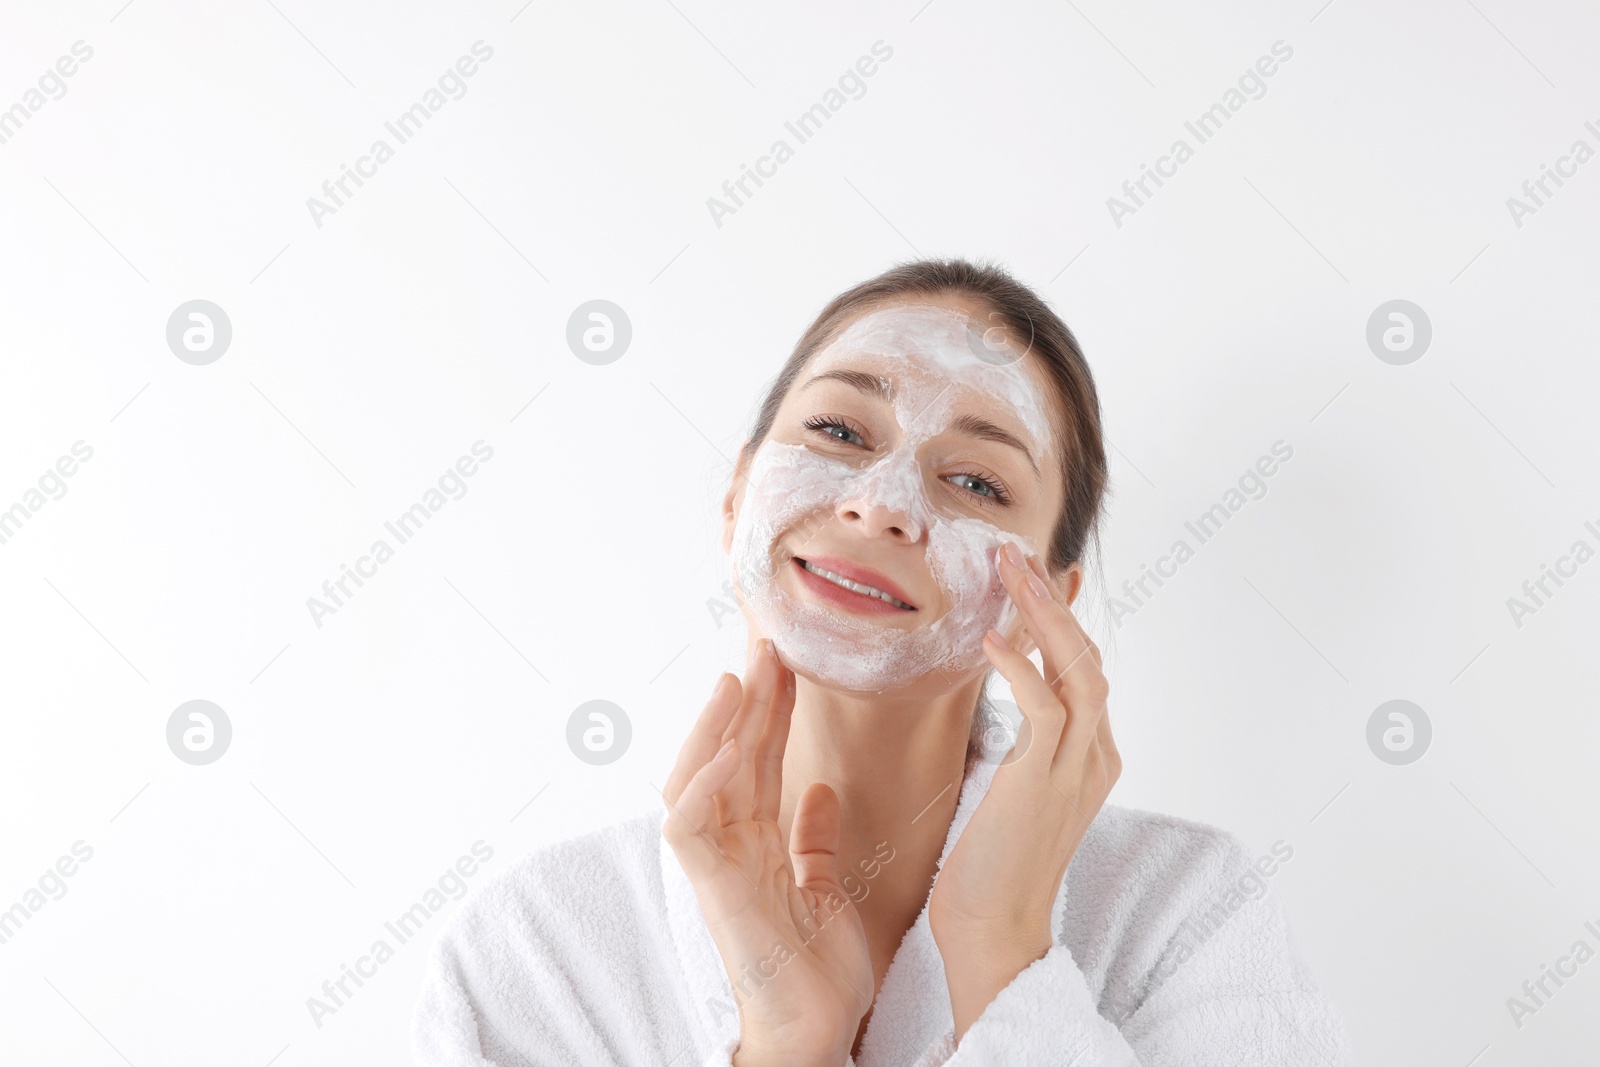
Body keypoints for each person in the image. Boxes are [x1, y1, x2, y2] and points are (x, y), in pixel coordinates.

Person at [411, 258, 1354, 1066]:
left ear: (1048, 602)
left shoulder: (1182, 912)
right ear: (739, 495)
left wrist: (1001, 952)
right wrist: (788, 1043)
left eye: (977, 482)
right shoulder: (539, 948)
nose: (883, 500)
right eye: (838, 431)